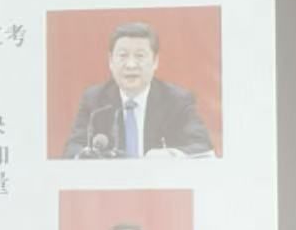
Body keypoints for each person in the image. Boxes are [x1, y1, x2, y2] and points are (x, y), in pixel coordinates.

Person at [61, 21, 214, 159]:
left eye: (140, 56)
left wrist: (171, 155)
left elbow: (203, 147)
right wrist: (86, 155)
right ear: (110, 61)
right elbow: (72, 149)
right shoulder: (95, 100)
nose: (131, 65)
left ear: (155, 61)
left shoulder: (177, 100)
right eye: (123, 55)